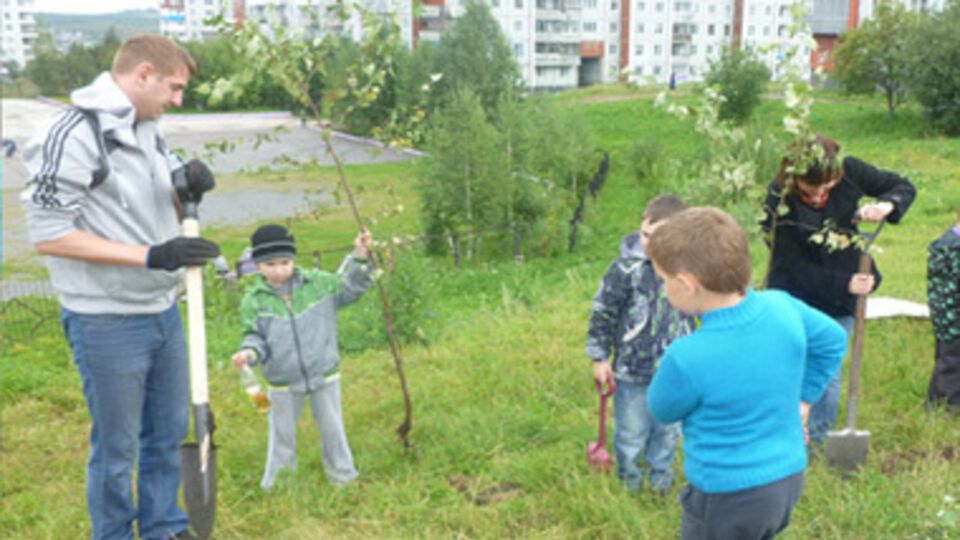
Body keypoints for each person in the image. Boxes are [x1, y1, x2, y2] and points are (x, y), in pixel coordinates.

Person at [19, 35, 218, 540]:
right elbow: (49, 235)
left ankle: (163, 527)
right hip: (105, 319)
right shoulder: (73, 133)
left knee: (168, 433)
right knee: (116, 447)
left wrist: (184, 189)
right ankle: (111, 533)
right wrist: (152, 256)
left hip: (162, 311)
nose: (178, 100)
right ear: (144, 73)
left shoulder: (149, 128)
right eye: (174, 88)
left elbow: (154, 205)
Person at [646, 207, 847, 540]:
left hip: (725, 496)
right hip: (786, 479)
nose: (663, 287)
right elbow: (833, 340)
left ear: (686, 284)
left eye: (663, 280)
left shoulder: (686, 356)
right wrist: (804, 399)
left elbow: (661, 409)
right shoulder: (782, 305)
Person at [761, 134, 915, 443]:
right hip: (795, 296)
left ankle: (816, 442)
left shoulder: (851, 172)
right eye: (809, 191)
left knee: (826, 373)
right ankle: (783, 435)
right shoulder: (777, 199)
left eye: (827, 189)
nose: (819, 197)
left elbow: (903, 187)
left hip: (841, 300)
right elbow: (790, 267)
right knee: (789, 367)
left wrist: (887, 204)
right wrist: (843, 282)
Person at [231, 224, 373, 490]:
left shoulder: (318, 283)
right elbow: (254, 337)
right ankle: (279, 484)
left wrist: (360, 256)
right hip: (282, 381)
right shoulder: (254, 301)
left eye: (285, 262)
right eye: (270, 264)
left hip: (324, 374)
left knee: (333, 429)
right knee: (281, 434)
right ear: (257, 266)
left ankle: (343, 477)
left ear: (293, 260)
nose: (279, 270)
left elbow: (350, 288)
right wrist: (248, 354)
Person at [585, 194, 693, 494]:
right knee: (631, 433)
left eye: (658, 238)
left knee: (668, 433)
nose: (648, 243)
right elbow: (603, 313)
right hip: (631, 370)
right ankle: (629, 484)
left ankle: (659, 484)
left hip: (675, 371)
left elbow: (701, 314)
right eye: (645, 234)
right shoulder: (624, 271)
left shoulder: (689, 271)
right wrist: (599, 357)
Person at [926, 206, 960, 414]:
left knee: (949, 358)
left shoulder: (947, 242)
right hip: (953, 315)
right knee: (951, 363)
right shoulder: (954, 248)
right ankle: (944, 408)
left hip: (945, 313)